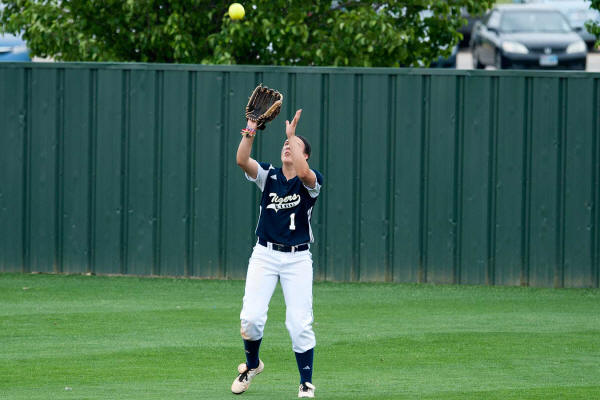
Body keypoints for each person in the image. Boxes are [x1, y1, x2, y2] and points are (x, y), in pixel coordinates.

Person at [231, 109, 323, 398]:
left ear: (305, 156)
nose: (288, 146)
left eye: (294, 146)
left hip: (298, 259)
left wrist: (292, 135)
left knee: (299, 324)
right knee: (251, 319)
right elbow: (242, 160)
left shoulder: (311, 181)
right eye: (285, 144)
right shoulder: (268, 175)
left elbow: (304, 173)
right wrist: (250, 128)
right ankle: (252, 365)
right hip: (265, 255)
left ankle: (306, 382)